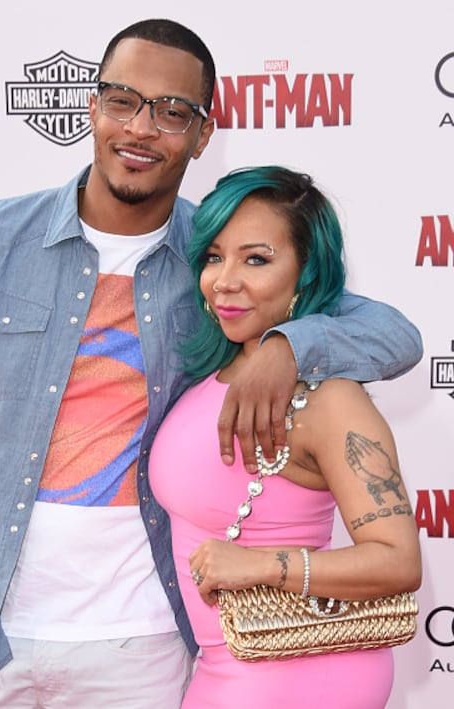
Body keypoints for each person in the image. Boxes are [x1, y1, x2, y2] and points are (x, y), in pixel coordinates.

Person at [0, 19, 422, 709]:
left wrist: (291, 345)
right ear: (91, 106)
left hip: (142, 641)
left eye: (173, 111)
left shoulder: (218, 254)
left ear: (203, 134)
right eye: (122, 99)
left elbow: (395, 333)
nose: (141, 127)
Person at [149, 165, 423, 709]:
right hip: (229, 661)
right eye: (213, 256)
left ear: (305, 273)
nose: (225, 279)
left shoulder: (329, 398)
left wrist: (261, 563)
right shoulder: (220, 370)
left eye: (257, 259)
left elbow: (398, 562)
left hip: (301, 672)